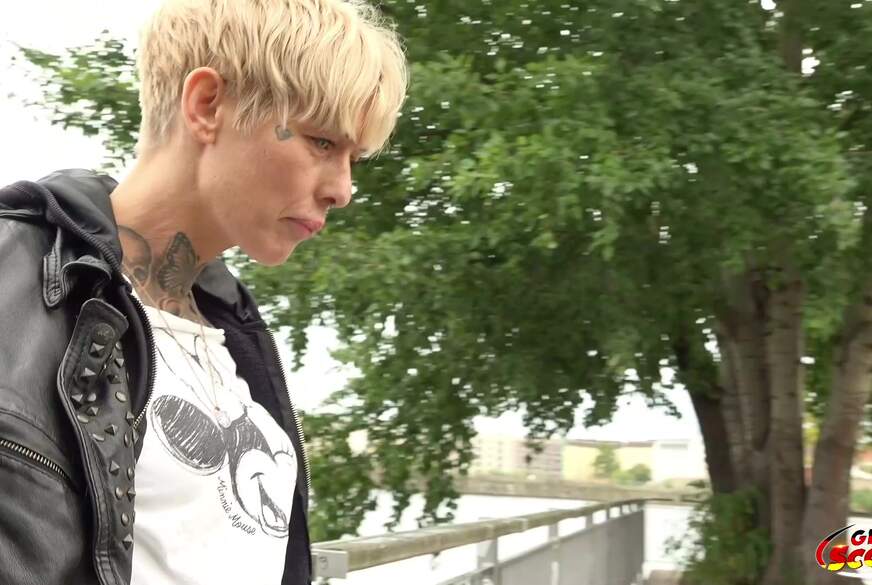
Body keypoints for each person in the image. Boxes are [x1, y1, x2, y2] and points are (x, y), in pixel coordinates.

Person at [0, 0, 407, 583]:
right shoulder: (18, 277)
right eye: (322, 142)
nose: (343, 190)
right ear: (207, 106)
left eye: (354, 159)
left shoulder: (234, 330)